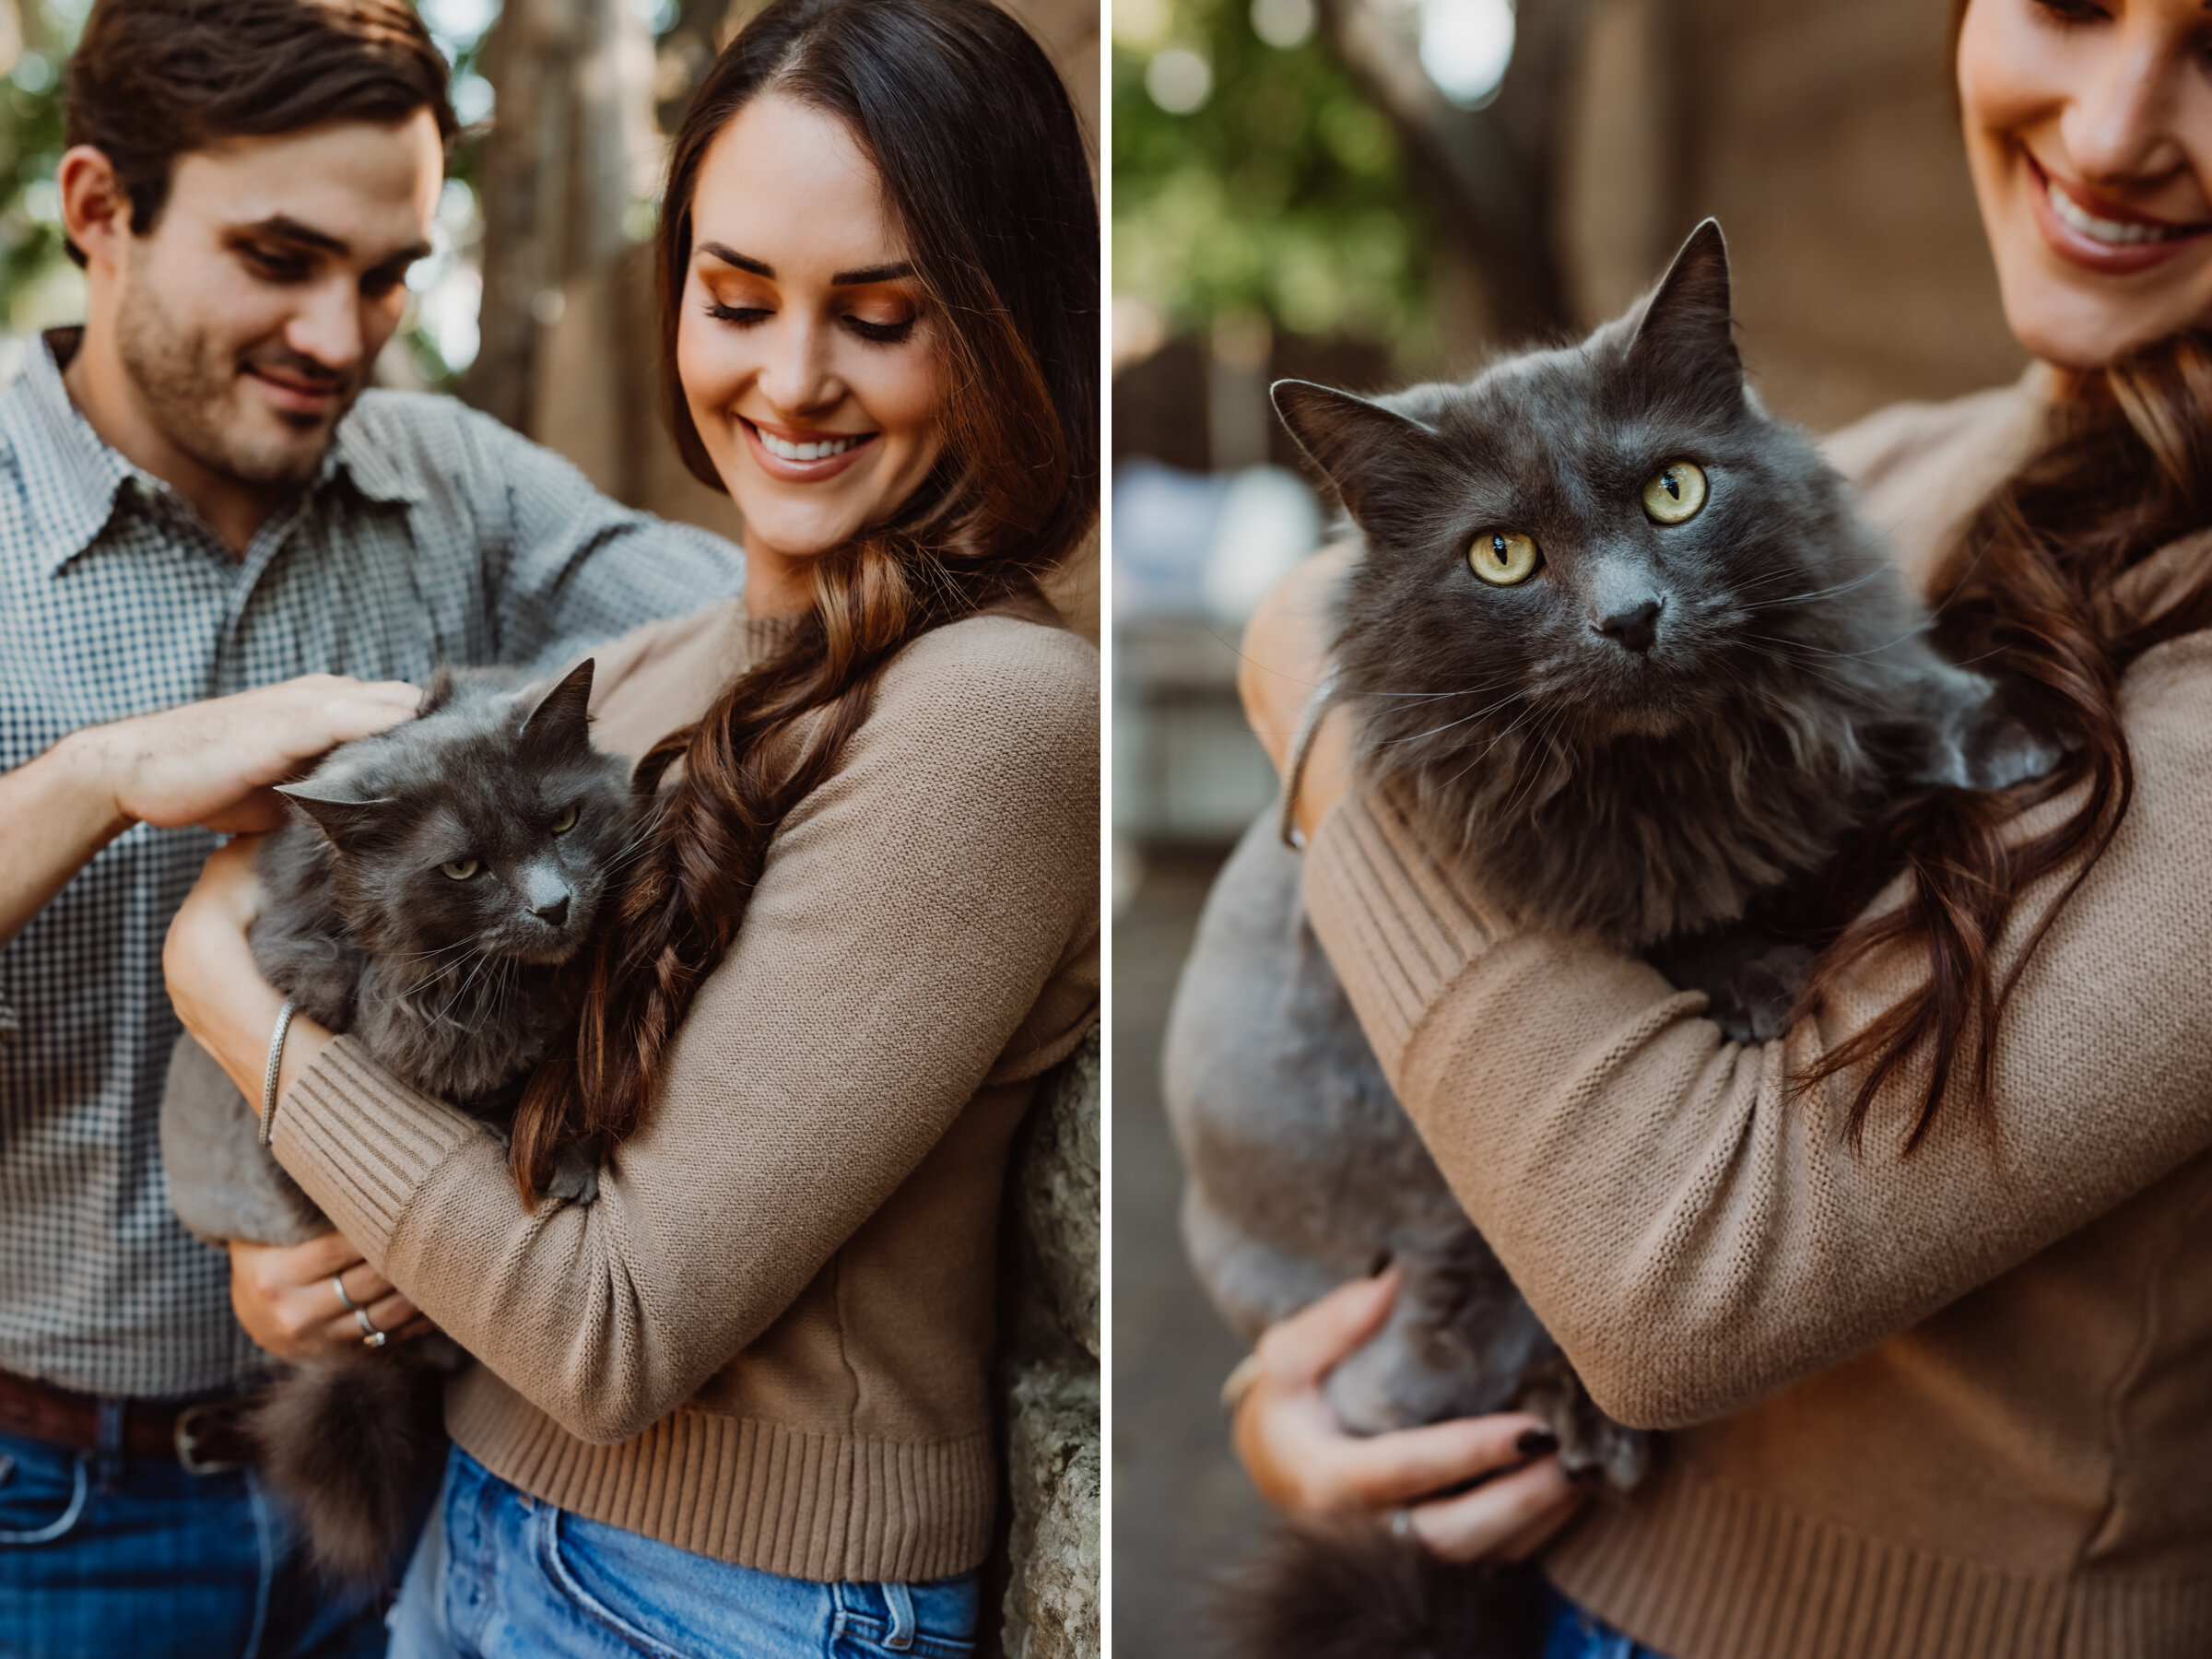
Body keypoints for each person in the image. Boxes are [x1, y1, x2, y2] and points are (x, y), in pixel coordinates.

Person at [1230, 0, 2212, 1654]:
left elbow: (1680, 1287)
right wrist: (1308, 1406)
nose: (2112, 127)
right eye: (2073, 3)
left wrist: (1300, 688)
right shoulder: (1886, 467)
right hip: (1541, 1579)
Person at [164, 0, 1099, 1653]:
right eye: (736, 299)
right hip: (479, 1526)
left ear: (1004, 326)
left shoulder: (994, 714)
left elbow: (612, 1327)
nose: (789, 380)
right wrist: (306, 1270)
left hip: (734, 1596)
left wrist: (222, 993)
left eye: (878, 319)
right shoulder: (641, 670)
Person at [0, 1, 741, 1653]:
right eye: (280, 256)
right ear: (100, 210)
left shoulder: (453, 483)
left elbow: (767, 637)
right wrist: (101, 775)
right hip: (45, 1515)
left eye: (391, 272)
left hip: (422, 1487)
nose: (342, 333)